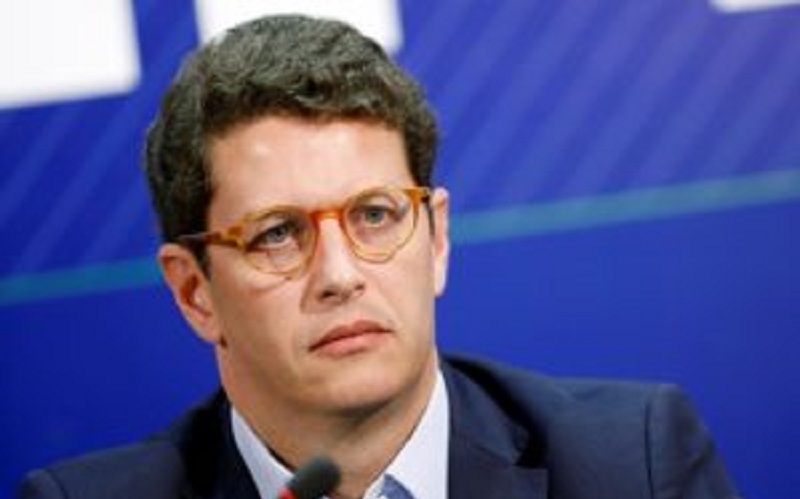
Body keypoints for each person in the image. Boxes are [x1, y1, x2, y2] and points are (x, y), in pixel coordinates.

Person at [20, 14, 739, 499]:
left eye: (374, 215)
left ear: (436, 239)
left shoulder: (633, 466)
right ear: (194, 293)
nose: (340, 275)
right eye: (278, 234)